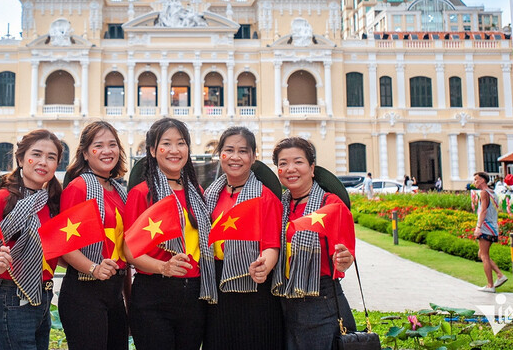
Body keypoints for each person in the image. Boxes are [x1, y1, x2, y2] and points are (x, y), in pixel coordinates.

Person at [123, 118, 216, 350]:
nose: (175, 150)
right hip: (154, 294)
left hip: (195, 293)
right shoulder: (142, 193)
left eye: (181, 143)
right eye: (167, 144)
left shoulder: (197, 192)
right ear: (153, 150)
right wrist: (163, 267)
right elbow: (130, 251)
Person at [0, 130, 64, 350]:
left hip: (43, 297)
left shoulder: (51, 202)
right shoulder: (1, 199)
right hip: (12, 298)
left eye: (51, 157)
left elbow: (55, 251)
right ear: (21, 159)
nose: (43, 162)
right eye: (36, 154)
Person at [271, 137, 356, 350]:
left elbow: (345, 257)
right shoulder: (277, 206)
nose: (290, 168)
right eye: (283, 163)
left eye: (298, 162)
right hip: (284, 303)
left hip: (321, 303)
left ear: (312, 168)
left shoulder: (332, 205)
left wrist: (345, 259)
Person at [203, 127, 284, 350]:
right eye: (229, 150)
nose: (236, 157)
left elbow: (272, 246)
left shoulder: (265, 197)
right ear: (220, 155)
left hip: (255, 288)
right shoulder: (209, 196)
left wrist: (263, 268)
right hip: (217, 288)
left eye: (243, 151)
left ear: (254, 156)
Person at [58, 121, 129, 350]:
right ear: (86, 154)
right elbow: (65, 244)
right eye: (99, 145)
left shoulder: (119, 190)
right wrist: (94, 268)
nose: (107, 151)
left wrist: (128, 297)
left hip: (115, 291)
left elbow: (123, 247)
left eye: (112, 144)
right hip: (84, 293)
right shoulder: (78, 188)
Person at [473, 171, 507, 292]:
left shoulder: (483, 193)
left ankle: (490, 285)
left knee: (484, 255)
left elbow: (483, 211)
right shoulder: (493, 193)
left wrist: (478, 227)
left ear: (482, 180)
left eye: (476, 179)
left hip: (486, 227)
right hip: (493, 227)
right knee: (481, 254)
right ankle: (499, 275)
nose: (475, 182)